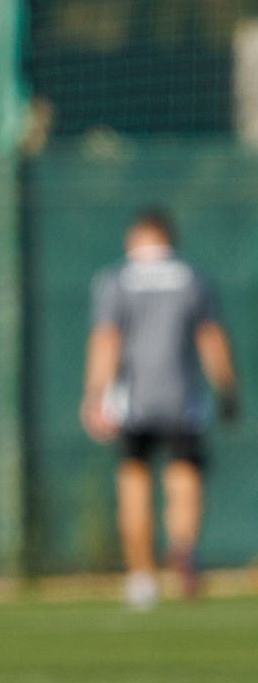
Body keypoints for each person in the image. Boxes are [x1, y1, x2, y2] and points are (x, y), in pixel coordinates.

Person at [80, 208, 239, 608]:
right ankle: (183, 546)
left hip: (133, 401)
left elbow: (106, 339)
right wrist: (226, 387)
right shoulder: (192, 277)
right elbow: (210, 337)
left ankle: (143, 578)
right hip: (182, 399)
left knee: (135, 483)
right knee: (184, 479)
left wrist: (95, 393)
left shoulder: (116, 279)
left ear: (136, 237)